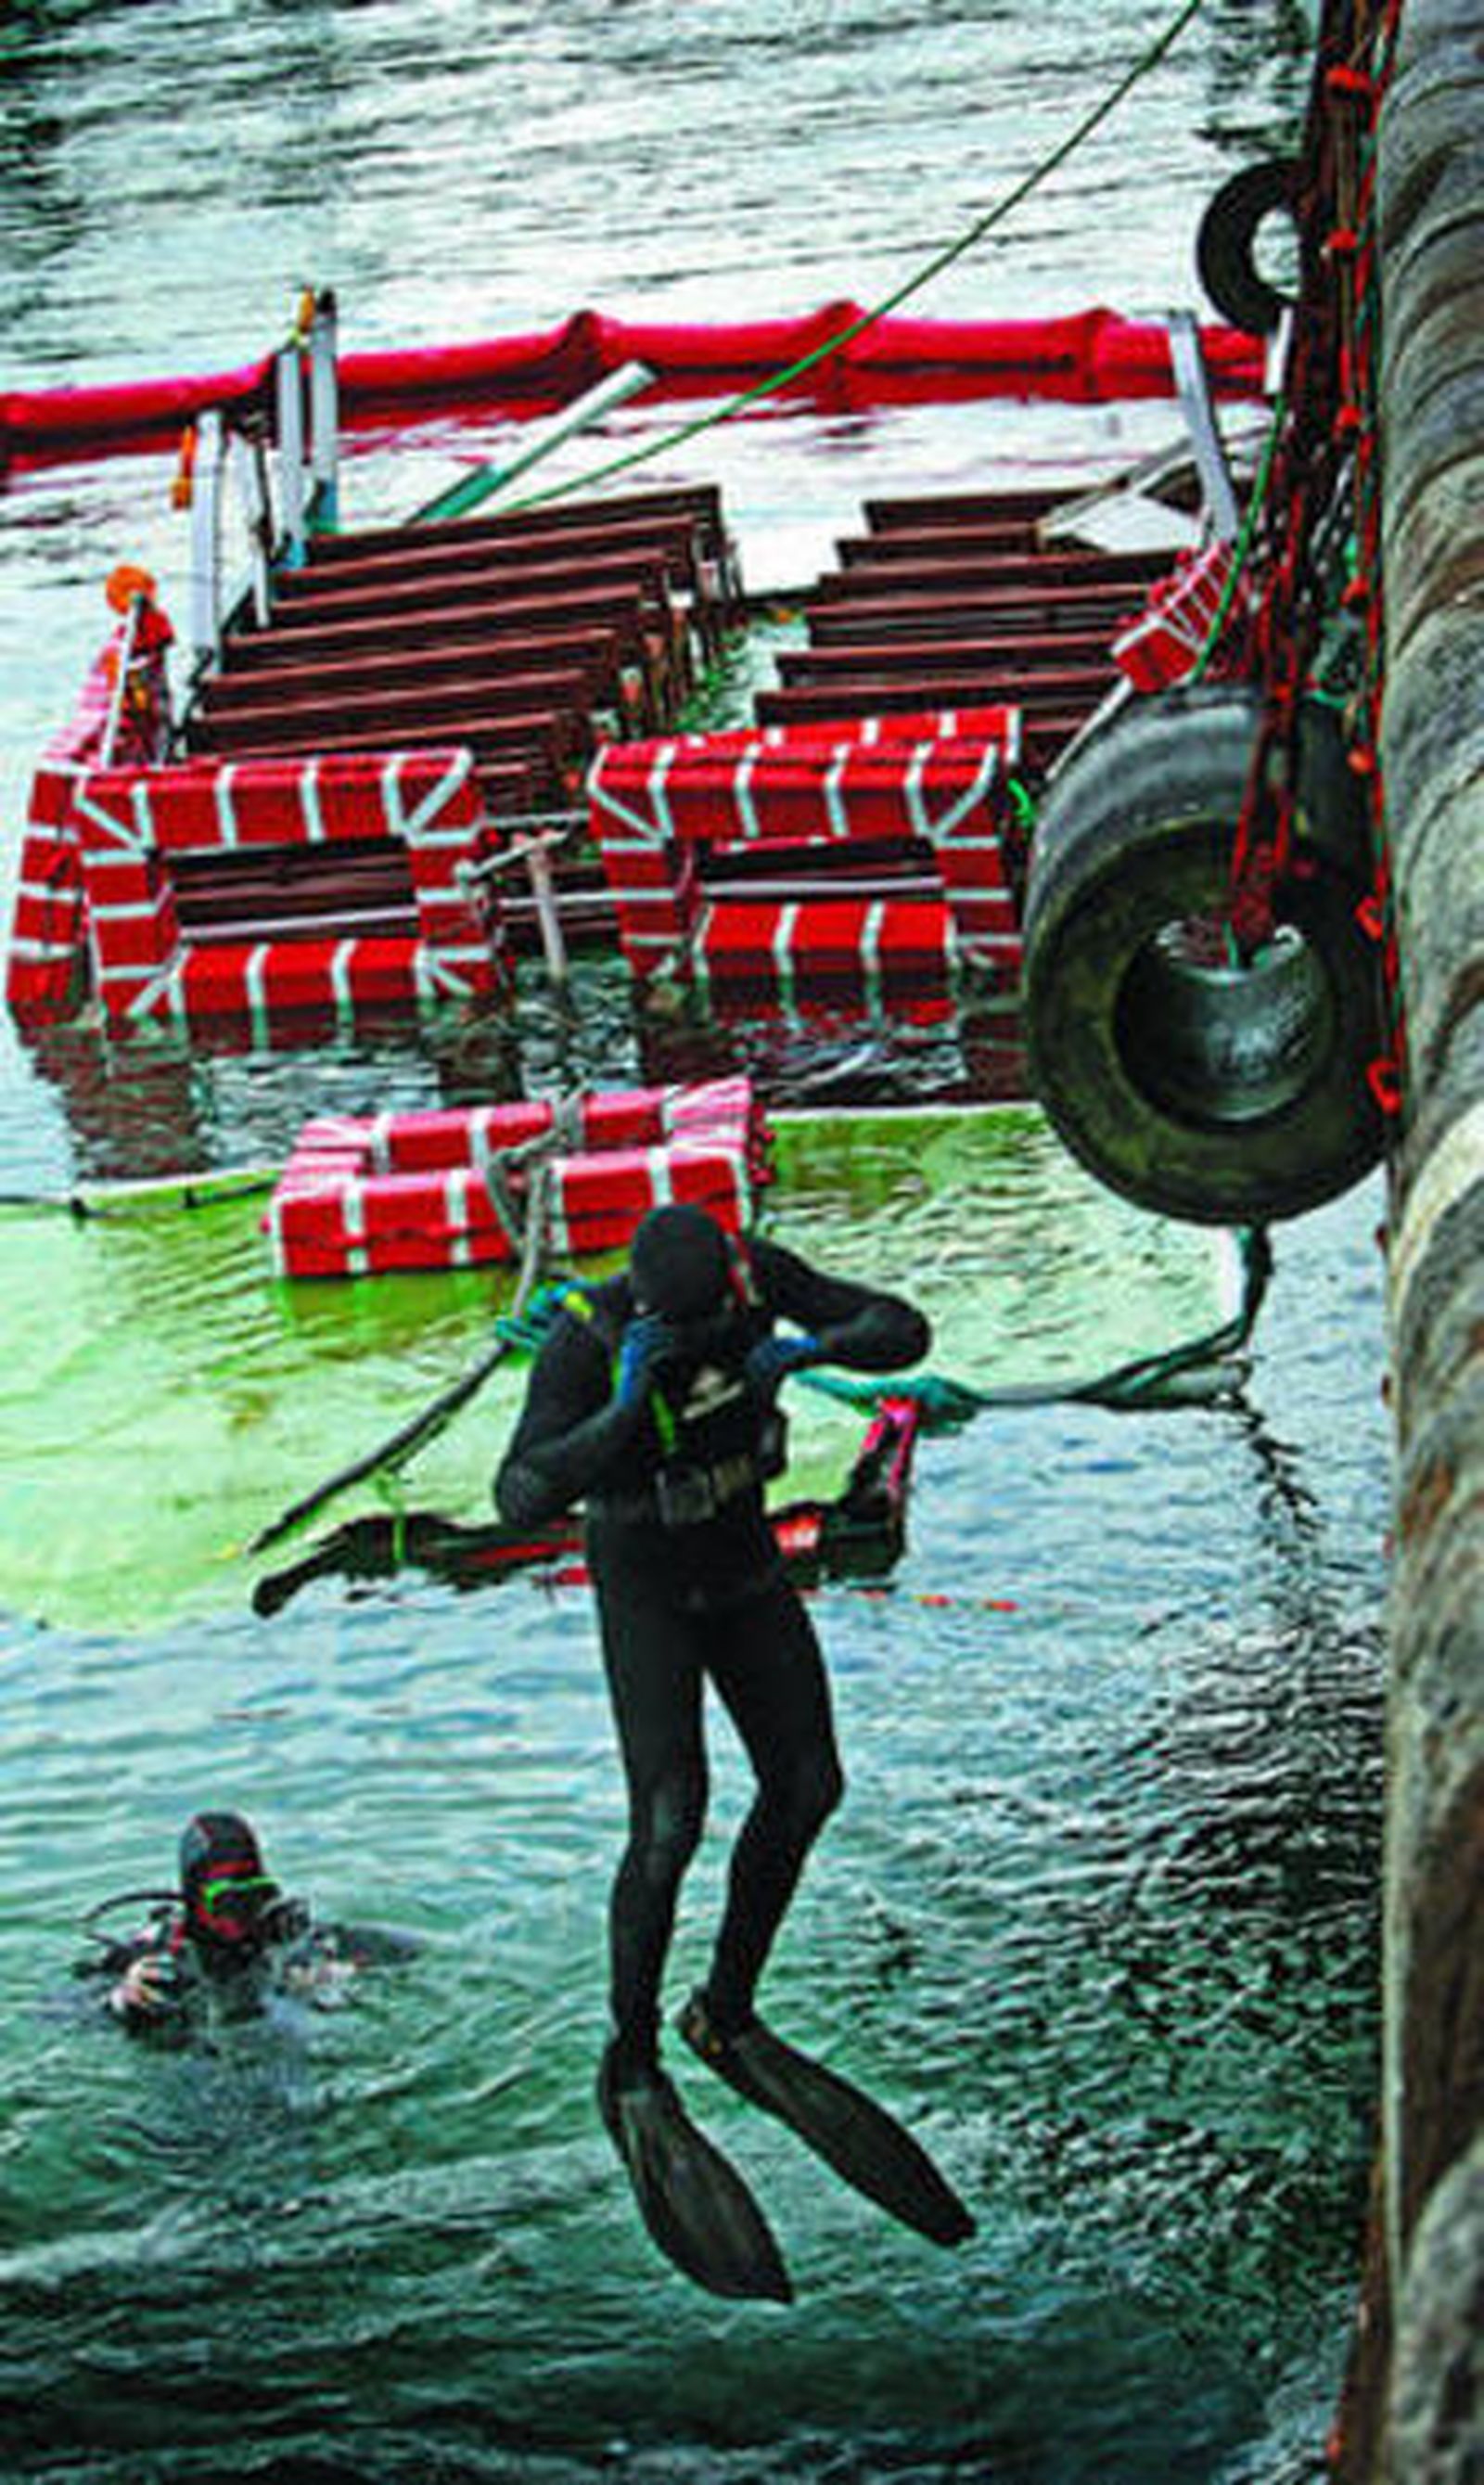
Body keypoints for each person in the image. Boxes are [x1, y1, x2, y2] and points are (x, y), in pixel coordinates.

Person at [494, 1201, 971, 2299]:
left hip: (744, 1565)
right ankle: (631, 2062)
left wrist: (807, 1348)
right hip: (647, 1582)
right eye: (692, 1321)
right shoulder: (593, 1332)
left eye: (719, 1311)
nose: (708, 1327)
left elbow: (904, 1329)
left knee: (807, 1784)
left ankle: (726, 2010)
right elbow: (520, 1490)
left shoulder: (756, 1282)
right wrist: (625, 1404)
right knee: (670, 1818)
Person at [76, 1811, 415, 2045]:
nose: (241, 1921)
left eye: (253, 1897)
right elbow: (58, 2012)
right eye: (226, 1904)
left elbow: (405, 1952)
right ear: (193, 1899)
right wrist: (121, 2000)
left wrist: (339, 1972)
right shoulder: (154, 1952)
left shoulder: (282, 1939)